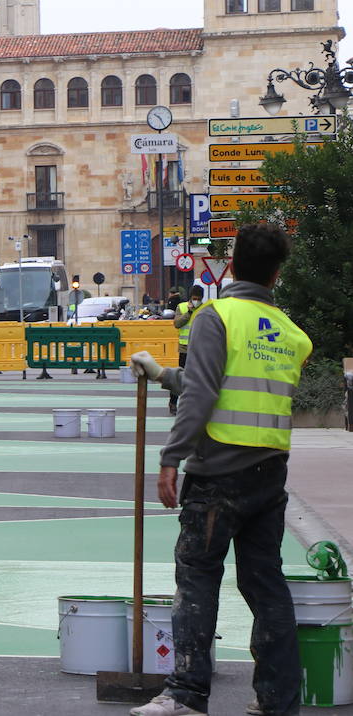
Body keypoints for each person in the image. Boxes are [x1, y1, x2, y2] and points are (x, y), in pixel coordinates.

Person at [127, 223, 310, 716]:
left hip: (218, 474)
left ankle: (187, 694)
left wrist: (171, 457)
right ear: (276, 273)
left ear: (231, 265)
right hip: (269, 474)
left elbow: (206, 394)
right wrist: (164, 375)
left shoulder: (217, 316)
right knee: (264, 582)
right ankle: (278, 700)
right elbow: (228, 386)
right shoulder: (292, 335)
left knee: (198, 577)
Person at [168, 284, 207, 415]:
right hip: (185, 348)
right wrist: (189, 313)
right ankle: (173, 402)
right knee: (181, 377)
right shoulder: (182, 307)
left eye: (199, 299)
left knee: (200, 378)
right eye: (195, 298)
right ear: (190, 298)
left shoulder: (206, 308)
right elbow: (177, 324)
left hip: (200, 349)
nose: (197, 301)